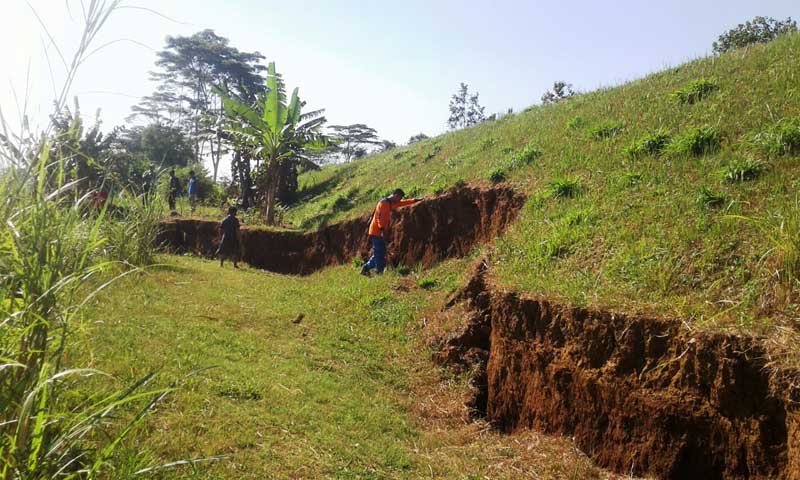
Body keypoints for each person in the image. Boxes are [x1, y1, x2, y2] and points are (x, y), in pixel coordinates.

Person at [360, 188, 421, 276]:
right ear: (395, 195)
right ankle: (379, 272)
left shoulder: (390, 203)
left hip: (381, 232)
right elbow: (379, 218)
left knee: (381, 252)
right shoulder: (383, 203)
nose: (399, 200)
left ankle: (366, 267)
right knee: (379, 253)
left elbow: (402, 203)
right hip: (376, 232)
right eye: (399, 198)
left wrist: (414, 200)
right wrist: (382, 230)